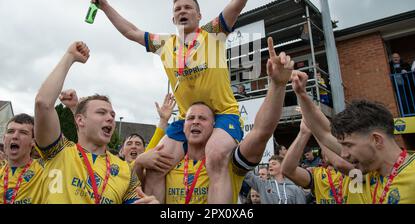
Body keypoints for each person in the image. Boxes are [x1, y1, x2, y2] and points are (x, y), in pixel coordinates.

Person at [90, 0, 270, 203]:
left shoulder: (212, 33)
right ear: (173, 19)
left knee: (216, 157)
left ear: (199, 14)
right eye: (177, 9)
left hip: (223, 113)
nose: (182, 11)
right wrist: (105, 6)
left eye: (188, 7)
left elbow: (238, 0)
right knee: (157, 164)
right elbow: (130, 32)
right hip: (187, 119)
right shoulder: (165, 44)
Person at [135, 37, 294, 203]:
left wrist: (277, 86)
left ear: (214, 126)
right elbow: (129, 187)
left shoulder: (227, 161)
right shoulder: (166, 163)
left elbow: (261, 132)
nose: (195, 121)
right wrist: (139, 162)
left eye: (202, 118)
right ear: (183, 126)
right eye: (190, 118)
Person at [34, 41, 158, 204]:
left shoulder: (125, 171)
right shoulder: (58, 151)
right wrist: (70, 57)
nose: (110, 118)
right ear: (80, 120)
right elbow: (43, 103)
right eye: (101, 112)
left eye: (112, 115)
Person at [291, 70, 415, 204]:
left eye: (348, 145)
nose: (343, 154)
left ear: (376, 140)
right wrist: (301, 93)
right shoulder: (367, 171)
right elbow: (325, 133)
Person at [282, 119, 354, 204]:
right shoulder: (317, 174)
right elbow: (287, 170)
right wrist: (304, 133)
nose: (329, 149)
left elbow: (340, 163)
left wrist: (315, 129)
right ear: (322, 156)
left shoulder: (358, 169)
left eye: (332, 145)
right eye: (327, 147)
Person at [0, 114, 44, 204]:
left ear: (33, 141)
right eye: (11, 131)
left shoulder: (44, 171)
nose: (15, 136)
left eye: (23, 132)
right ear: (4, 139)